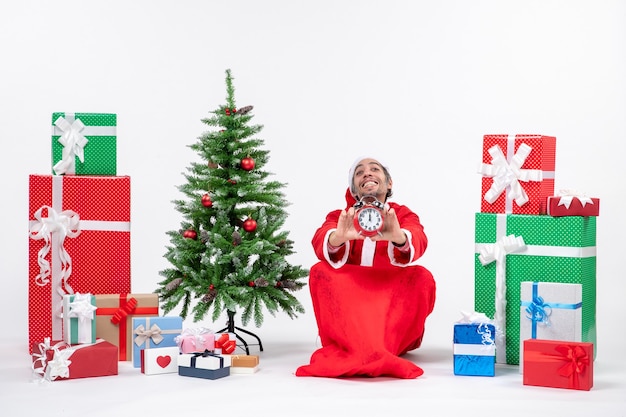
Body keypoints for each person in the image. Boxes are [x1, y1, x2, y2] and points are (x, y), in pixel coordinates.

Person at [295, 156, 436, 379]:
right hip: (352, 299)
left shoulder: (401, 215)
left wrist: (399, 237)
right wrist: (338, 237)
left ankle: (378, 347)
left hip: (389, 296)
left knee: (422, 277)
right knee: (320, 271)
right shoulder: (342, 217)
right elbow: (321, 236)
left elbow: (418, 236)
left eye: (374, 169)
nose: (367, 173)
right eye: (359, 172)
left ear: (389, 183)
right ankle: (364, 348)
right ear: (354, 189)